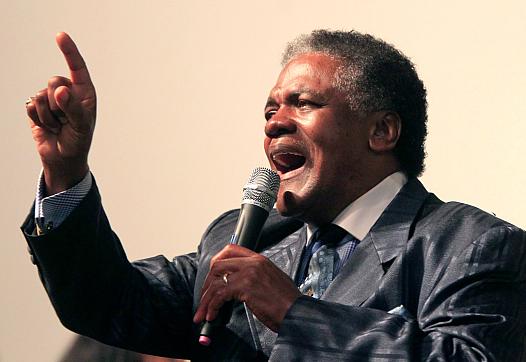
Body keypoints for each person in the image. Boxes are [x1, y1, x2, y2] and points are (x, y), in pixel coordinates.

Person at [22, 30, 526, 361]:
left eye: (302, 103)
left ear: (382, 131)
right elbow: (107, 304)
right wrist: (66, 172)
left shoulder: (471, 246)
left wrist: (296, 313)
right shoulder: (242, 240)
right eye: (268, 112)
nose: (276, 124)